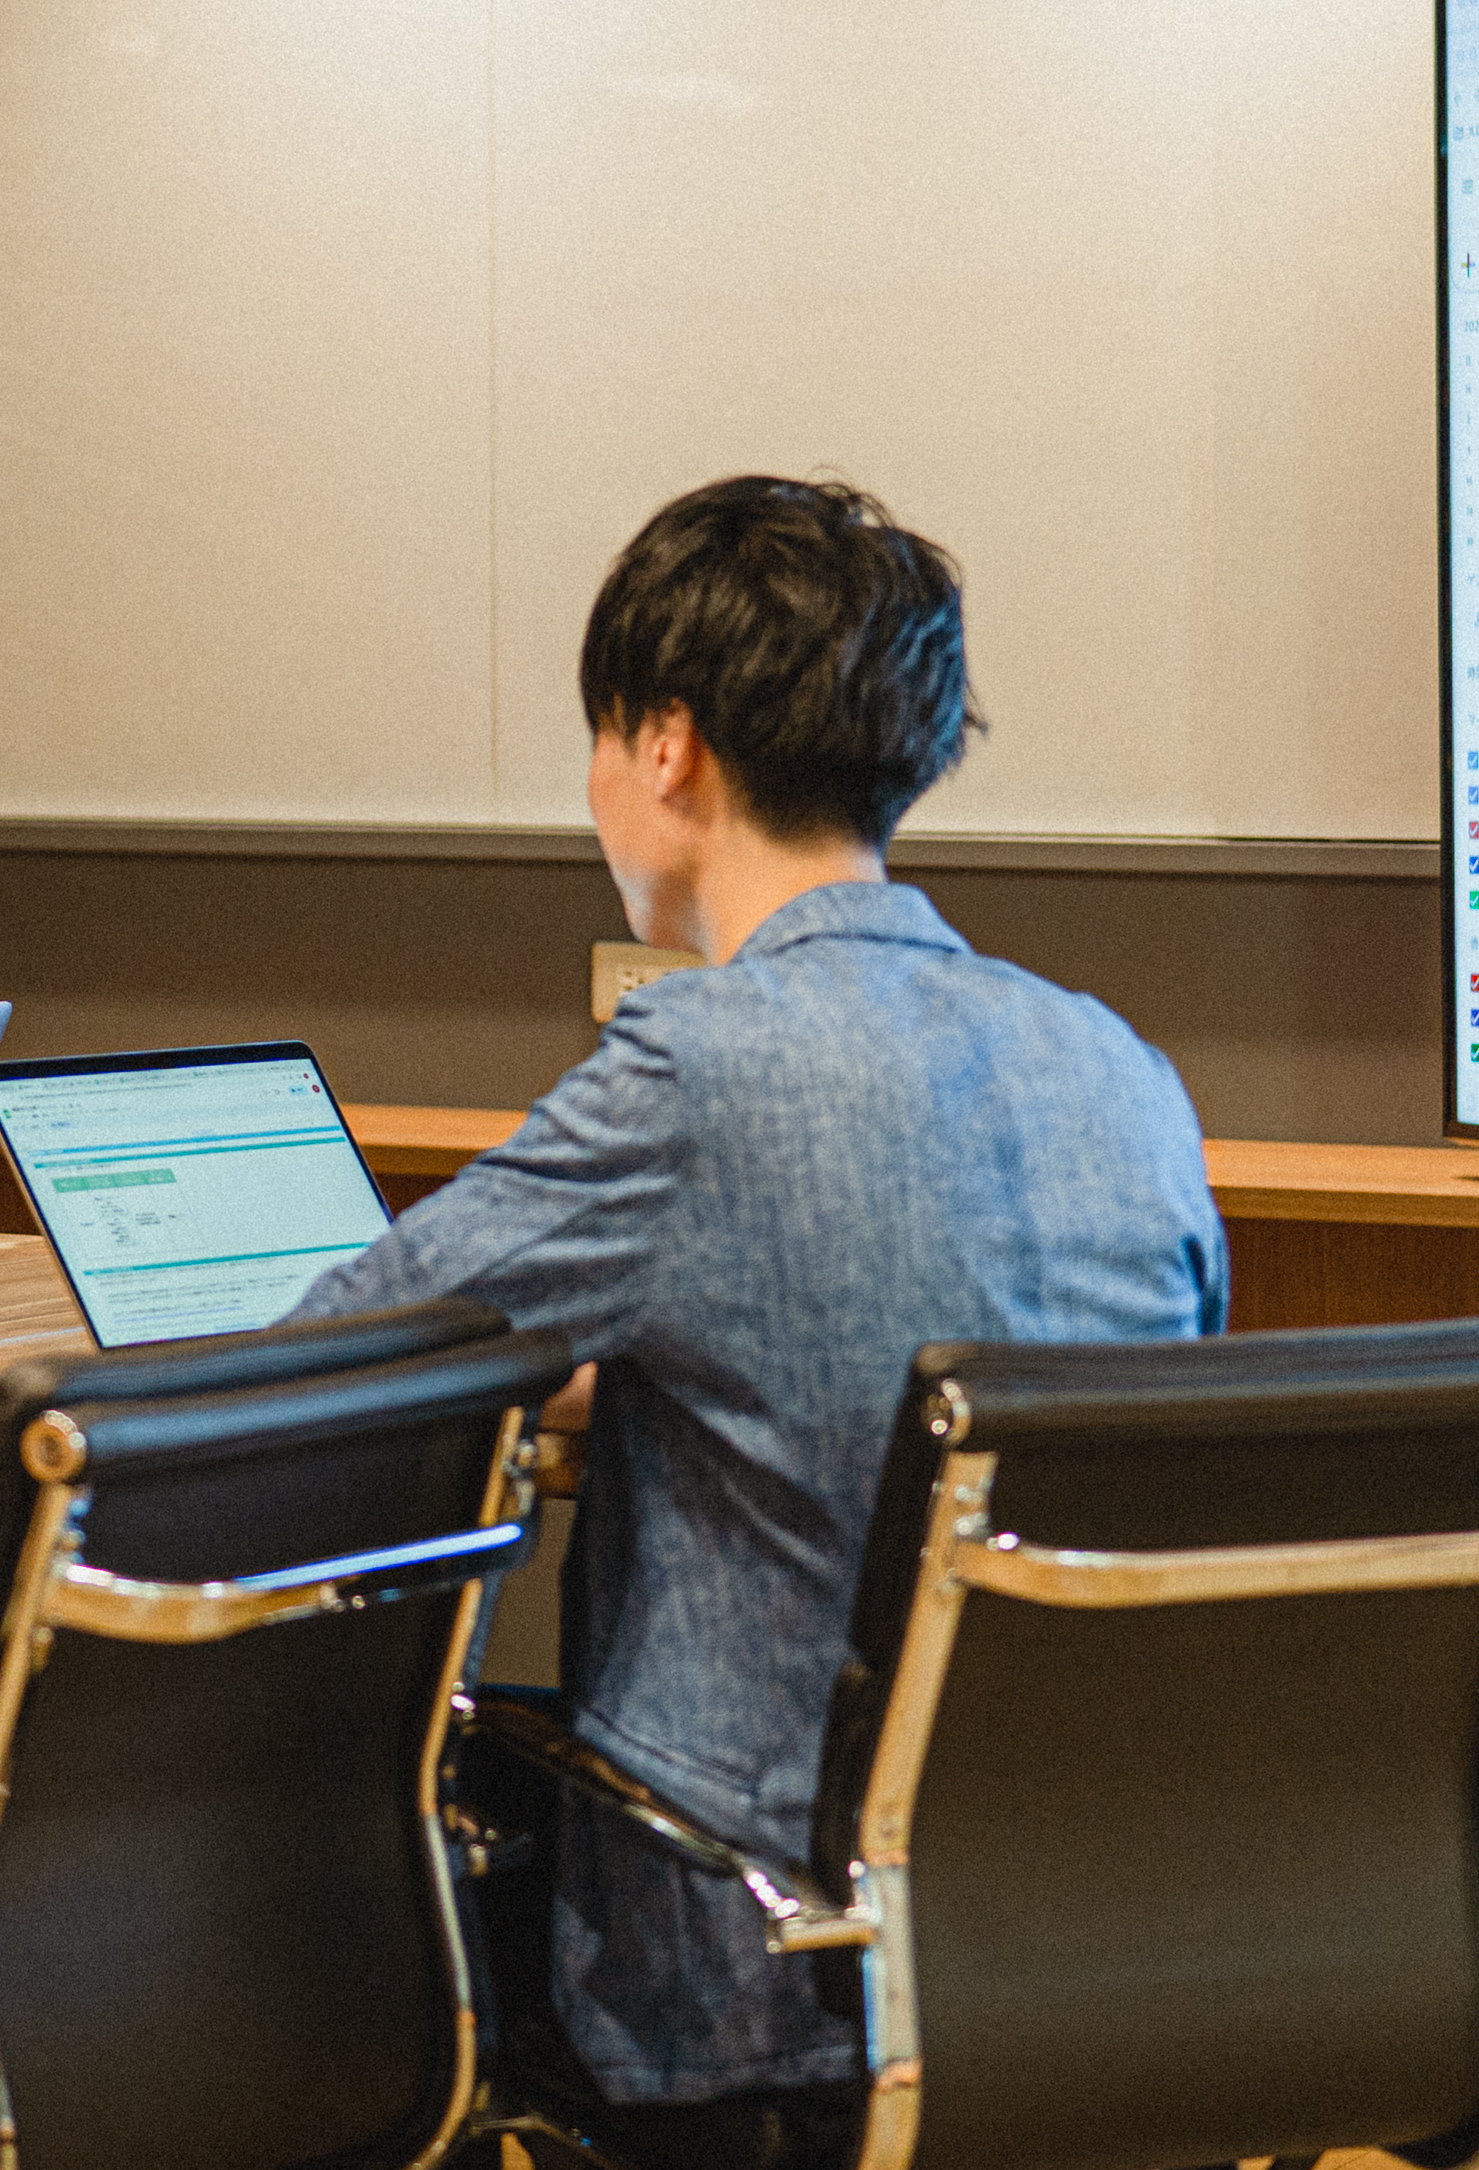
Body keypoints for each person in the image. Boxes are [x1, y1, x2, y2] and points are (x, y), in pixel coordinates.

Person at [288, 476, 1225, 2165]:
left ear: (665, 744)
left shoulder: (695, 1072)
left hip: (747, 1969)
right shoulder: (1119, 1067)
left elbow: (330, 1356)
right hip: (1077, 1945)